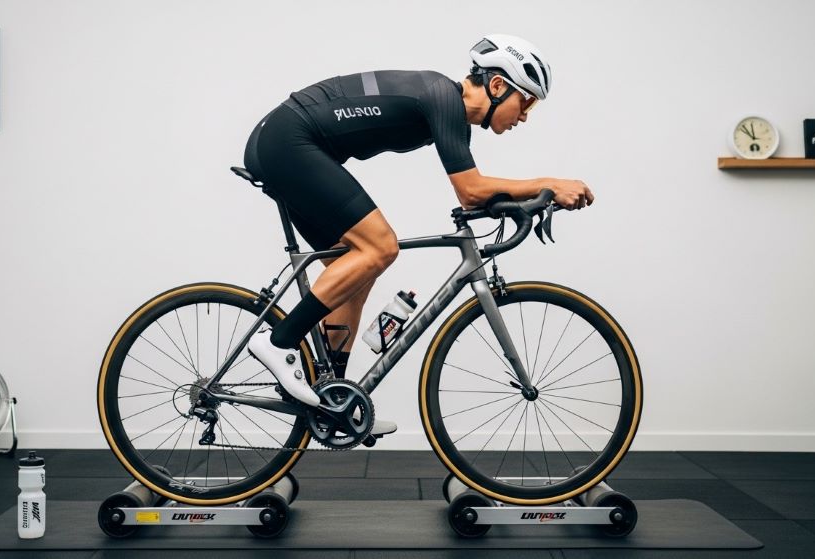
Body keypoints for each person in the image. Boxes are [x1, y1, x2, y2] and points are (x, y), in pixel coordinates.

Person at [243, 34, 594, 435]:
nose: (526, 115)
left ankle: (332, 398)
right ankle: (279, 342)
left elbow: (475, 192)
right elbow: (471, 190)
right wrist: (548, 183)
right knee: (381, 247)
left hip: (283, 139)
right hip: (287, 141)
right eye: (526, 101)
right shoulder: (442, 97)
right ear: (497, 86)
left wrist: (523, 199)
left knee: (356, 267)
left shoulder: (449, 111)